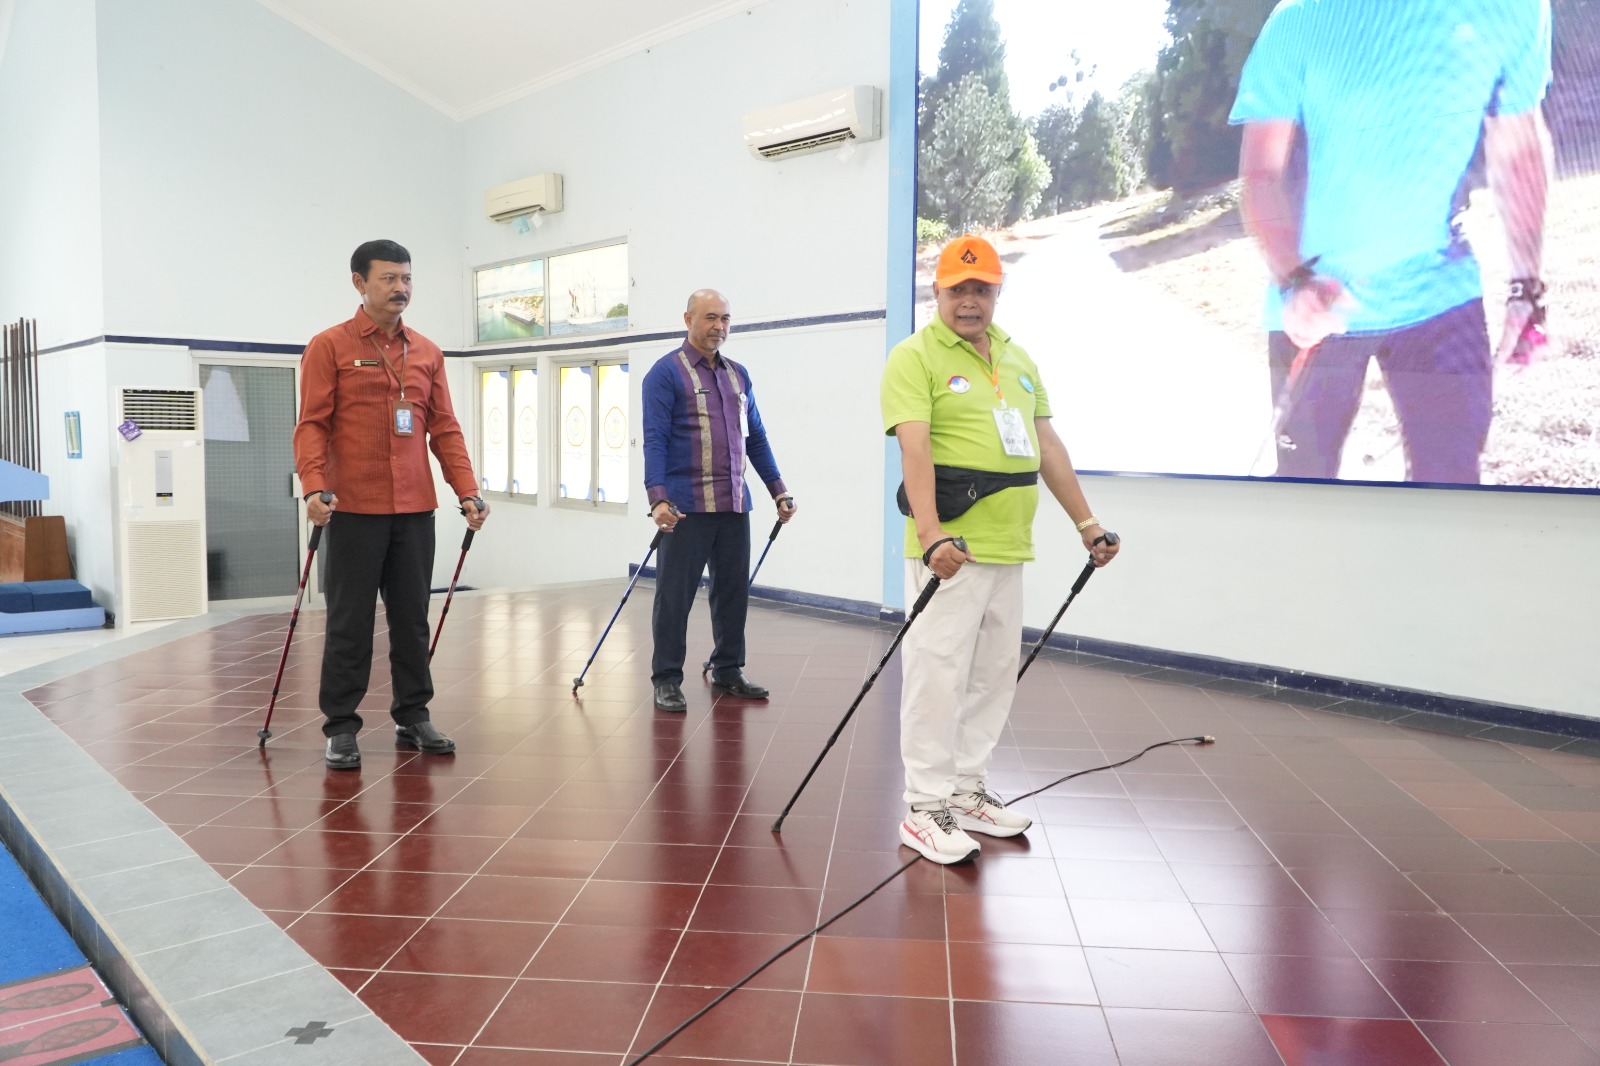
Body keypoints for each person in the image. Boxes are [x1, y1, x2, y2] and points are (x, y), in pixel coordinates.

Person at [1232, 0, 1553, 483]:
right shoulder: (1298, 18)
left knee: (1452, 490)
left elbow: (1519, 145)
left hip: (1440, 293)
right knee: (1304, 490)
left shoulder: (1514, 8)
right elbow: (1261, 174)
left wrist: (1527, 287)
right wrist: (1293, 279)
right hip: (1316, 300)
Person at [881, 235, 1119, 864]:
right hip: (950, 550)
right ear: (937, 291)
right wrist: (930, 535)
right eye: (958, 289)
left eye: (981, 289)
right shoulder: (914, 357)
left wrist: (1086, 523)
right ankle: (924, 806)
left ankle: (965, 790)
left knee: (991, 676)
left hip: (1010, 547)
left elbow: (1047, 446)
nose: (969, 301)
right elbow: (914, 449)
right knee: (937, 676)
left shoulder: (1018, 358)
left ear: (996, 293)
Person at [294, 239, 489, 770]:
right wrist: (313, 487)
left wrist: (466, 490)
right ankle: (341, 726)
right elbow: (311, 425)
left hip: (414, 511)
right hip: (353, 509)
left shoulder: (427, 352)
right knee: (349, 622)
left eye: (406, 278)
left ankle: (413, 714)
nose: (401, 288)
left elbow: (444, 429)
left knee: (412, 620)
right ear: (359, 282)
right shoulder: (329, 346)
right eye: (389, 278)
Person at [642, 289, 796, 714]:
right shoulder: (664, 374)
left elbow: (756, 438)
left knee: (732, 593)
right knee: (674, 596)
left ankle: (728, 669)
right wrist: (658, 499)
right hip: (685, 507)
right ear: (688, 319)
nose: (719, 326)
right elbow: (654, 440)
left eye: (725, 319)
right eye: (710, 317)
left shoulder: (738, 375)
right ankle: (667, 678)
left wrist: (778, 489)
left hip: (733, 504)